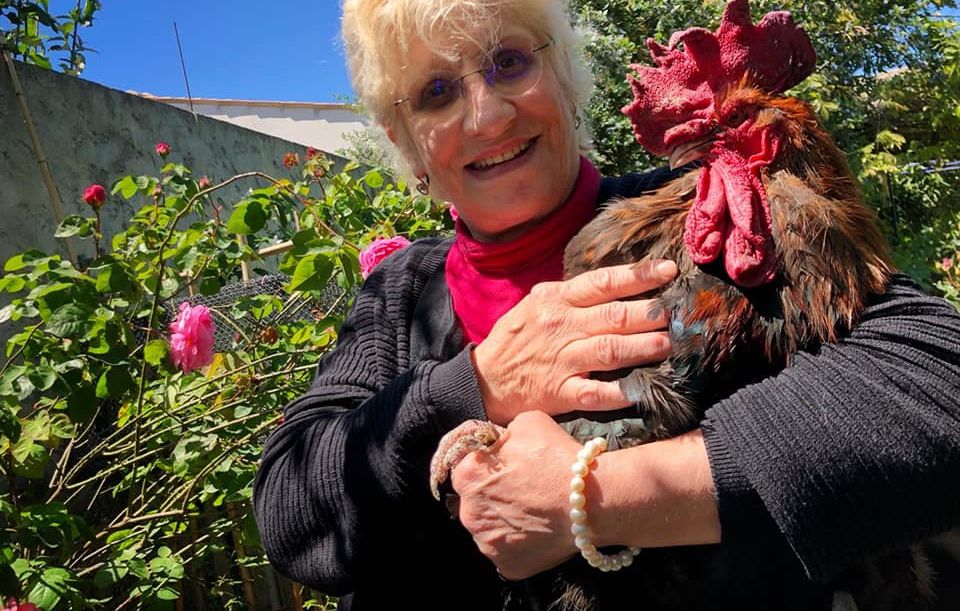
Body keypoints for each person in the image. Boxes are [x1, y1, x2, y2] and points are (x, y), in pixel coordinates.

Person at [253, 0, 960, 608]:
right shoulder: (401, 294)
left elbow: (939, 383)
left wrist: (593, 497)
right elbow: (292, 510)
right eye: (436, 92)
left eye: (508, 62)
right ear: (407, 146)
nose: (488, 113)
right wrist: (473, 385)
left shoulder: (709, 223)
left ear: (563, 78)